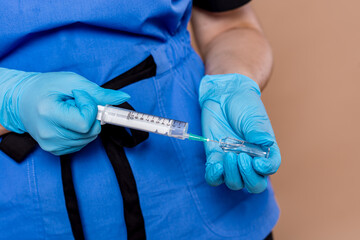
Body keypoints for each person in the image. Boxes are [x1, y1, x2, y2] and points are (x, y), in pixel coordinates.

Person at [0, 0, 281, 239]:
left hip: (200, 201)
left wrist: (233, 83)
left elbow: (230, 25)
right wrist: (11, 98)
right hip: (25, 212)